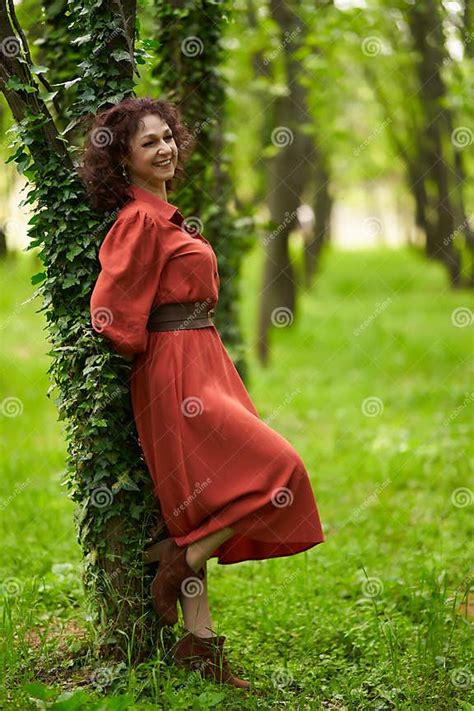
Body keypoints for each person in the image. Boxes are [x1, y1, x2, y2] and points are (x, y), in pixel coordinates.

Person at [80, 96, 325, 690]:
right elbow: (110, 311)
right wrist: (157, 352)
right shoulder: (139, 220)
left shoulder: (166, 213)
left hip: (205, 359)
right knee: (281, 470)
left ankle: (200, 643)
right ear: (124, 161)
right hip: (177, 369)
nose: (164, 148)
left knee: (200, 505)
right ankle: (182, 558)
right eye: (148, 143)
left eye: (168, 137)